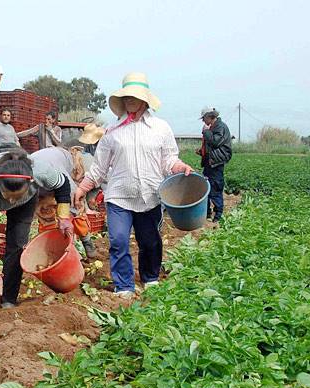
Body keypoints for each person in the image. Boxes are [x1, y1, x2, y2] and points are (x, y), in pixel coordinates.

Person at [73, 72, 193, 299]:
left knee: (150, 241)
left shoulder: (160, 128)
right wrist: (82, 188)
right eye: (126, 96)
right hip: (119, 196)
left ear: (144, 99)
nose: (129, 100)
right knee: (118, 240)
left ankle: (150, 277)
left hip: (150, 195)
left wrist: (180, 167)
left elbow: (168, 160)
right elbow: (99, 167)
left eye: (134, 96)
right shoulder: (112, 132)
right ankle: (124, 285)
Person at [0, 145, 73, 307]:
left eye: (17, 197)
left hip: (27, 198)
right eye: (7, 197)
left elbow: (62, 185)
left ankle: (9, 298)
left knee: (17, 242)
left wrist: (63, 216)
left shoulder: (41, 171)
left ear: (32, 181)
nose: (12, 203)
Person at [35, 143, 98, 259]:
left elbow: (71, 198)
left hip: (45, 180)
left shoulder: (64, 167)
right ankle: (61, 250)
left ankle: (85, 244)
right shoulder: (59, 166)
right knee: (53, 213)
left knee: (74, 208)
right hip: (40, 182)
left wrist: (66, 217)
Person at [195, 107, 232, 222]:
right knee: (206, 187)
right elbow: (211, 146)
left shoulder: (220, 127)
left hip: (216, 164)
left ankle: (218, 215)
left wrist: (206, 131)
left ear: (209, 116)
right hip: (210, 163)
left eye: (204, 118)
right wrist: (202, 152)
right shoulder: (213, 127)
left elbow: (216, 142)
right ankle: (207, 213)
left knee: (215, 187)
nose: (203, 121)